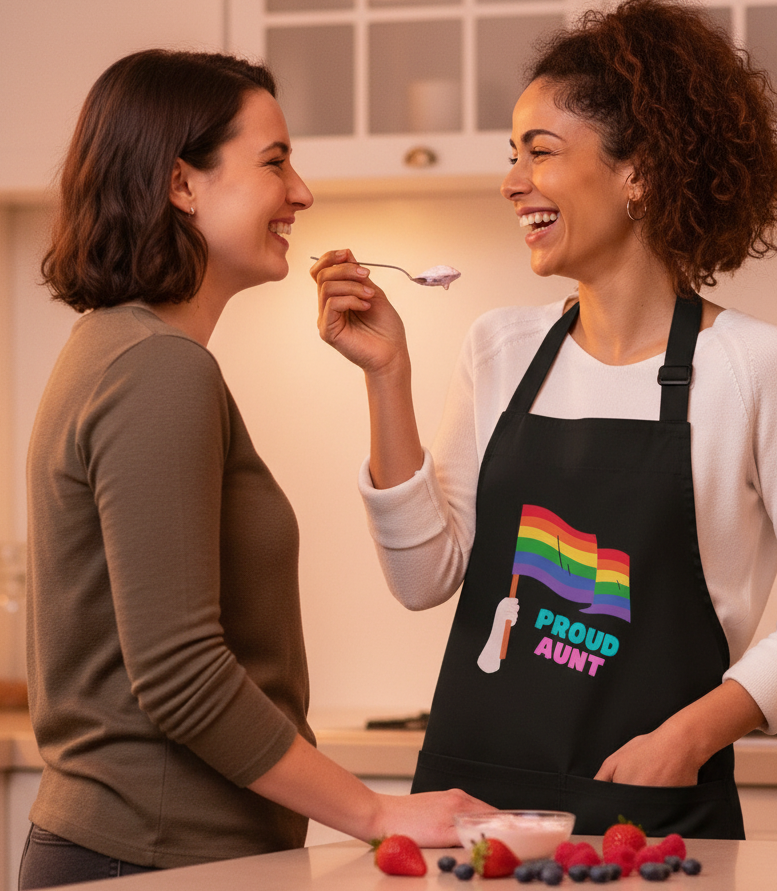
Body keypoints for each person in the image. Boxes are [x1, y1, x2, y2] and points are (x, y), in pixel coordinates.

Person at [313, 0, 777, 840]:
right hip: (472, 810)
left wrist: (687, 737)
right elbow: (424, 578)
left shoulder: (760, 367)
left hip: (649, 807)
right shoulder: (500, 347)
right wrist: (386, 376)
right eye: (512, 154)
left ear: (636, 172)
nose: (510, 180)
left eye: (539, 152)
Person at [21, 49, 490, 889]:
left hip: (144, 851)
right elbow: (179, 673)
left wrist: (387, 375)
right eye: (275, 161)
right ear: (181, 184)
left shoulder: (116, 348)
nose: (301, 192)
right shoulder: (157, 367)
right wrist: (376, 811)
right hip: (157, 856)